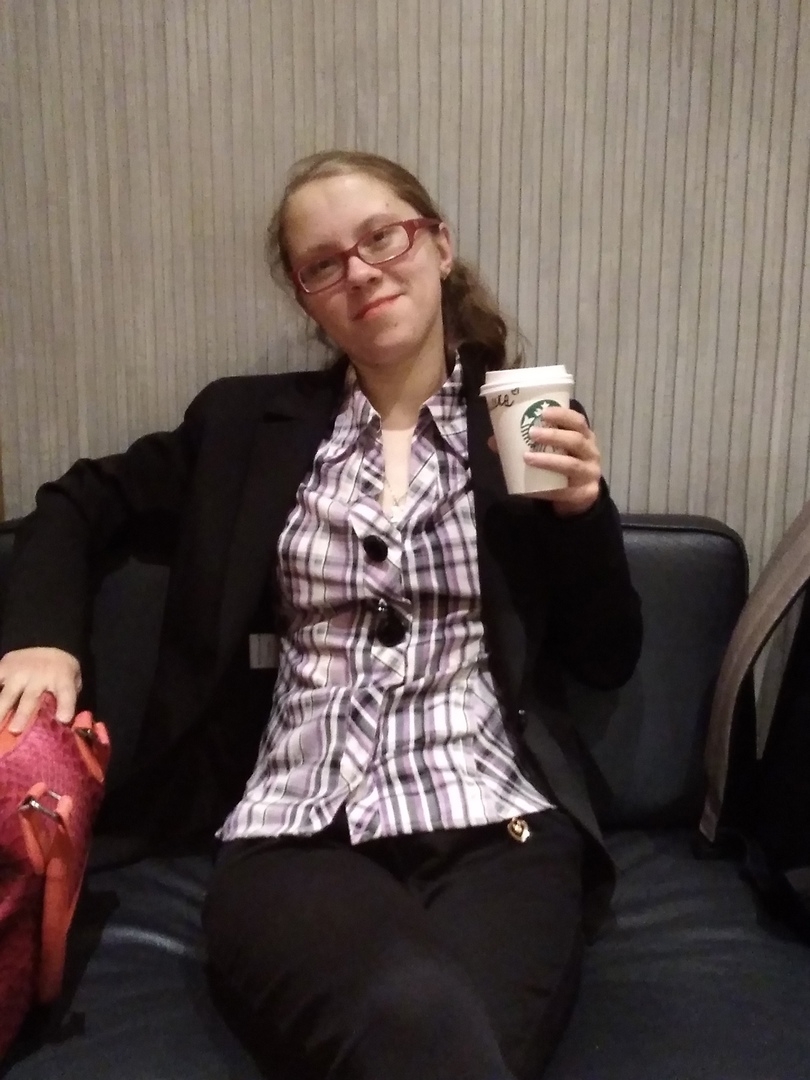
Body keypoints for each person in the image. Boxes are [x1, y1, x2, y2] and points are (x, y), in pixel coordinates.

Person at [0, 150, 642, 1079]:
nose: (362, 271)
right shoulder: (244, 429)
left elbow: (607, 655)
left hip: (500, 825)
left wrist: (583, 517)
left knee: (445, 1047)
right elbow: (78, 501)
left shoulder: (520, 425)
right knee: (420, 1027)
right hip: (297, 828)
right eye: (324, 263)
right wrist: (39, 641)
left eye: (384, 237)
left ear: (439, 246)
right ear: (309, 301)